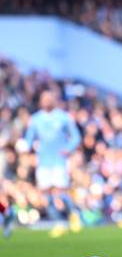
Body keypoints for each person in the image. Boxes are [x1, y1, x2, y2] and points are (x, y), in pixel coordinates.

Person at [18, 90, 82, 234]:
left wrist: (68, 149)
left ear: (54, 100)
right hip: (44, 161)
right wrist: (24, 147)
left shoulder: (63, 117)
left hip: (59, 160)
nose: (47, 101)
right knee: (46, 194)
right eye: (44, 98)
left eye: (49, 98)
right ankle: (59, 223)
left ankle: (74, 215)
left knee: (60, 191)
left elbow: (75, 137)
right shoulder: (35, 119)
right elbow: (29, 139)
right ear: (40, 101)